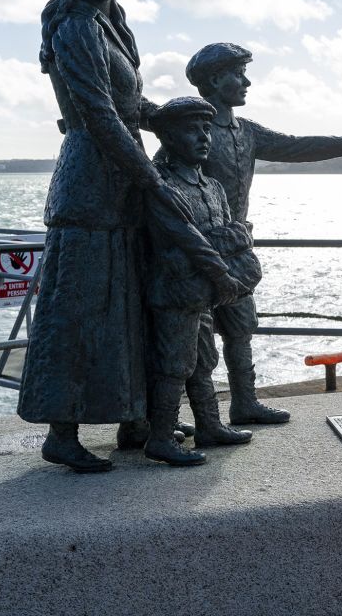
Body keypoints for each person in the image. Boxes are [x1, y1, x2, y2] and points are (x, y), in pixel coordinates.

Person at [17, 0, 232, 473]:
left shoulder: (111, 26)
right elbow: (99, 115)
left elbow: (131, 108)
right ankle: (61, 433)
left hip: (120, 182)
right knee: (78, 308)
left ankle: (134, 420)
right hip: (91, 181)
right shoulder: (74, 27)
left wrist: (172, 117)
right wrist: (152, 177)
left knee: (129, 303)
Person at [184, 43, 342, 425]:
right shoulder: (191, 128)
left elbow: (296, 146)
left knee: (240, 327)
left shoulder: (245, 131)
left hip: (236, 246)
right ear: (215, 79)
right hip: (196, 247)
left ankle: (244, 402)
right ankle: (205, 418)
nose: (246, 82)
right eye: (238, 74)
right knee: (195, 334)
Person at [142, 96, 257, 466]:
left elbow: (228, 235)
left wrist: (224, 243)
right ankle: (160, 437)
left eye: (207, 128)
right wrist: (225, 243)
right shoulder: (162, 186)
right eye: (193, 129)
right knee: (175, 365)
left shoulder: (212, 187)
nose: (204, 136)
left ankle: (209, 425)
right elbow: (183, 243)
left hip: (205, 293)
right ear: (169, 137)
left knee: (204, 361)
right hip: (176, 292)